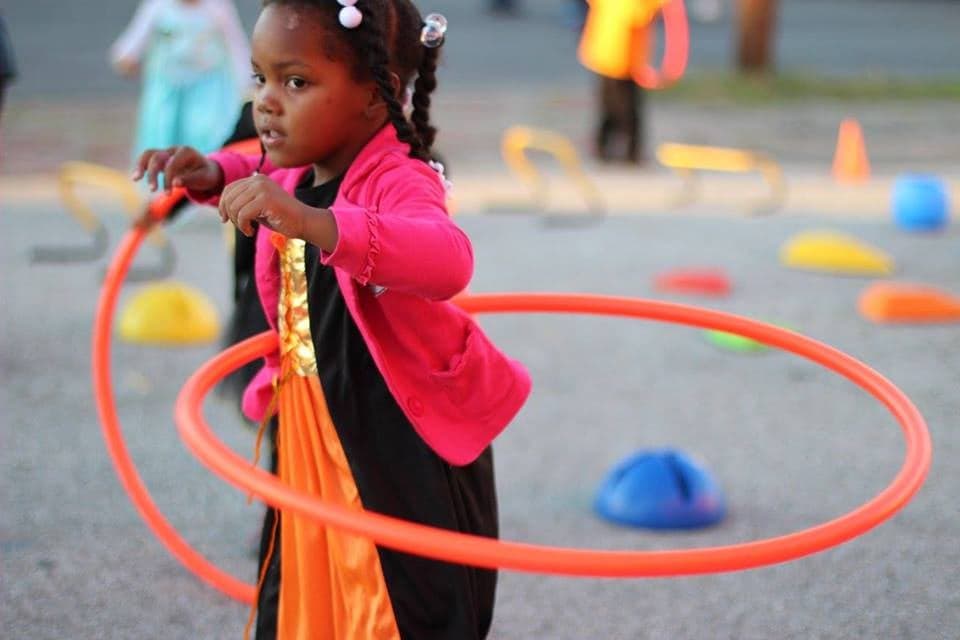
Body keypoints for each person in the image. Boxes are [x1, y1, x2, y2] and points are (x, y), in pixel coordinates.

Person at [132, 2, 531, 639]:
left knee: (402, 596)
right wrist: (210, 173)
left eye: (295, 82)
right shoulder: (299, 163)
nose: (266, 101)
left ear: (378, 97)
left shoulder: (399, 179)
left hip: (394, 437)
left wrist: (315, 224)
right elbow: (259, 168)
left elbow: (447, 259)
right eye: (260, 78)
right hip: (314, 423)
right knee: (300, 582)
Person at [110, 0, 251, 161]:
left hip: (207, 92)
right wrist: (127, 58)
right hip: (168, 91)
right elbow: (133, 43)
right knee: (162, 132)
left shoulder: (217, 7)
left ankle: (207, 175)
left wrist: (245, 82)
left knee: (206, 133)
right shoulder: (159, 7)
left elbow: (236, 47)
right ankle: (162, 182)